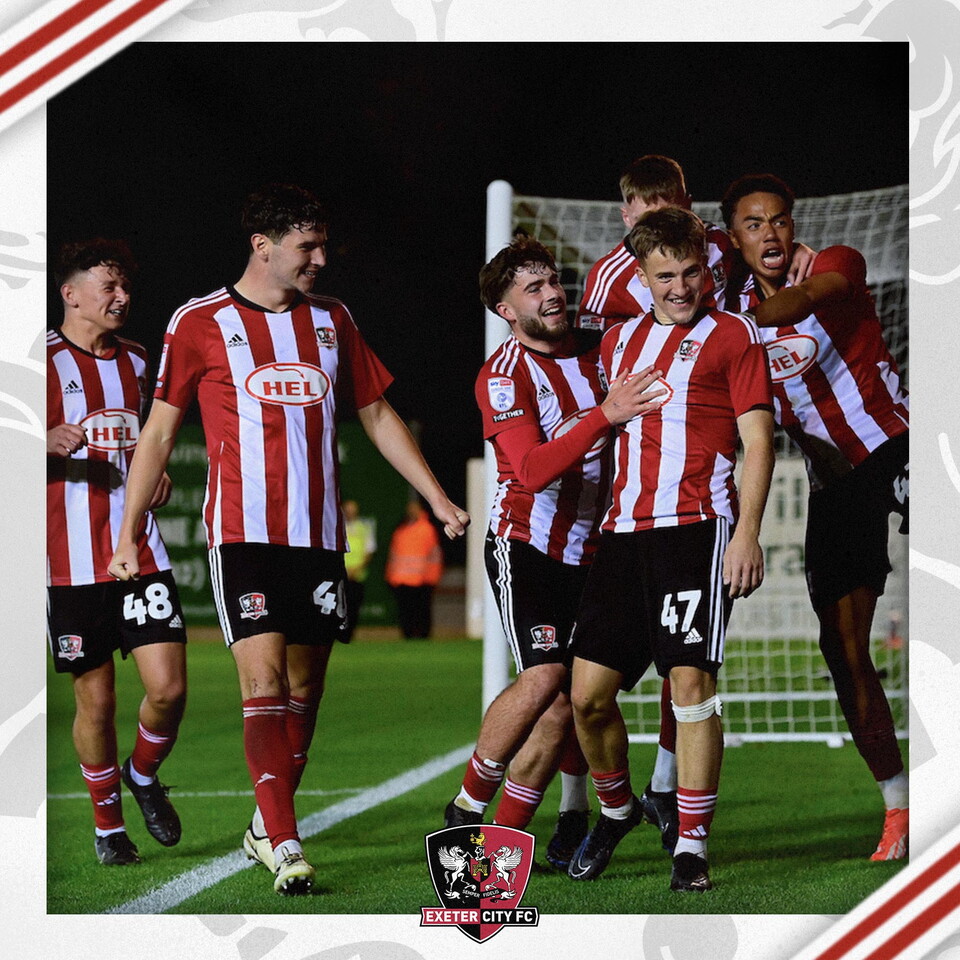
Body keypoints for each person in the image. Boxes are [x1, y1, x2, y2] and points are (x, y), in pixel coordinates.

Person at [108, 183, 469, 895]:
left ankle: (261, 826)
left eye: (323, 245)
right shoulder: (199, 321)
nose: (320, 260)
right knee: (264, 683)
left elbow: (377, 413)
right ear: (262, 246)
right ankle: (285, 840)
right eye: (307, 247)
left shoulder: (334, 320)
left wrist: (436, 495)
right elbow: (157, 431)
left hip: (319, 542)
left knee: (305, 687)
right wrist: (128, 533)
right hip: (243, 537)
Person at [573, 156, 815, 848]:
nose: (680, 288)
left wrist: (746, 535)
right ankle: (618, 810)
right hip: (621, 534)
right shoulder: (618, 341)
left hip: (696, 531)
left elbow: (759, 442)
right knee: (587, 698)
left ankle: (690, 844)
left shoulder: (734, 333)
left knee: (690, 687)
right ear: (640, 278)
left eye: (690, 274)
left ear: (708, 271)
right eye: (665, 277)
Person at [444, 236, 665, 863]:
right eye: (533, 288)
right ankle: (467, 804)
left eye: (553, 281)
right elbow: (533, 469)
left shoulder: (603, 348)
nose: (553, 294)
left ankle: (508, 841)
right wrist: (606, 414)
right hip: (529, 544)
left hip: (599, 551)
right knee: (544, 677)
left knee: (572, 698)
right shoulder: (505, 375)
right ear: (506, 311)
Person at [721, 173, 910, 861]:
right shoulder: (733, 311)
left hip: (898, 450)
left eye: (777, 220)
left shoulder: (835, 264)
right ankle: (898, 807)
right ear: (734, 238)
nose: (769, 232)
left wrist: (733, 323)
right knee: (844, 652)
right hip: (837, 488)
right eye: (751, 224)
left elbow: (806, 297)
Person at [47, 239, 187, 866]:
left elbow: (148, 443)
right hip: (69, 562)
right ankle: (109, 829)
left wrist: (157, 475)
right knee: (96, 701)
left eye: (125, 286)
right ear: (69, 293)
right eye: (107, 286)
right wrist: (37, 437)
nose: (121, 297)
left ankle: (145, 772)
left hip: (140, 550)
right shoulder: (35, 362)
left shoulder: (135, 359)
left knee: (169, 688)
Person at [385, 500, 444, 638]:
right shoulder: (401, 530)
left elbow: (434, 555)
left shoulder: (427, 529)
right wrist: (391, 575)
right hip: (402, 580)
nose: (411, 512)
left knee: (422, 610)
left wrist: (432, 576)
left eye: (414, 509)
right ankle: (408, 634)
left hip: (422, 579)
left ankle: (423, 634)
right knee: (406, 611)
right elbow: (394, 555)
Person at [342, 499, 376, 641]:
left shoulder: (364, 528)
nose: (350, 513)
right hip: (339, 575)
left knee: (353, 608)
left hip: (357, 576)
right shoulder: (337, 527)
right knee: (337, 608)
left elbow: (369, 552)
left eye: (353, 510)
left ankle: (350, 636)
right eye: (347, 510)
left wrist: (355, 569)